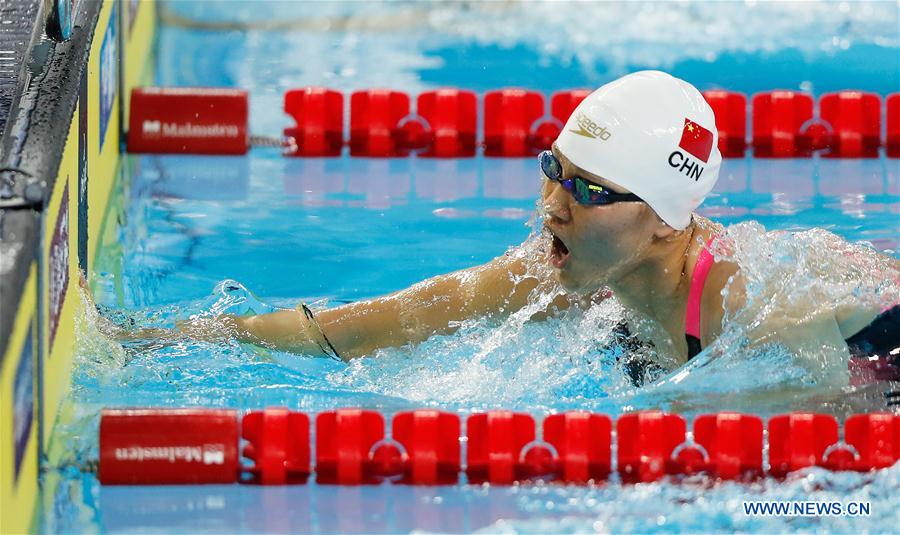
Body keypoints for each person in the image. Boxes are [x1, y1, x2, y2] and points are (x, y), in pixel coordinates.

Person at [87, 71, 900, 388]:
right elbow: (356, 329)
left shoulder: (767, 302)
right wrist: (152, 338)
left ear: (662, 222)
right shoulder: (557, 274)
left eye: (588, 188)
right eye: (553, 167)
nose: (553, 203)